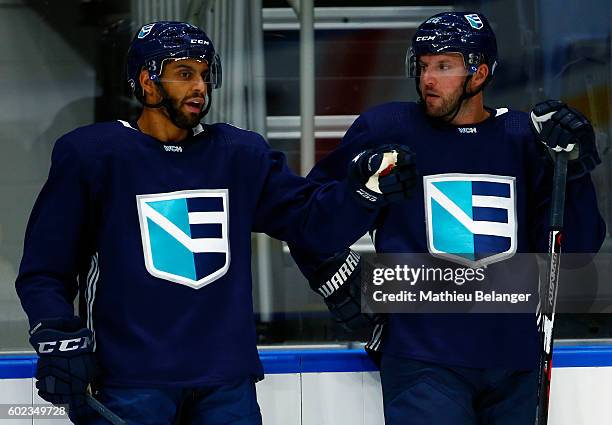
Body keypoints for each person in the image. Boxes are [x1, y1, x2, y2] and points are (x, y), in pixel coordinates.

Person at [15, 21, 417, 424]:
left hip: (226, 383)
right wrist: (57, 336)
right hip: (129, 383)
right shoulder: (94, 155)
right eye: (185, 74)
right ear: (147, 82)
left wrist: (361, 192)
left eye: (205, 75)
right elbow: (45, 268)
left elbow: (313, 225)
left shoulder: (239, 154)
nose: (200, 87)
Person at [289, 12, 606, 425]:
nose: (428, 79)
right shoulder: (387, 128)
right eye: (422, 66)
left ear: (480, 73)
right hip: (422, 359)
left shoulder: (525, 137)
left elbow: (576, 251)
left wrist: (575, 171)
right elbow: (307, 218)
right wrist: (335, 268)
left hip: (514, 359)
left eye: (444, 66)